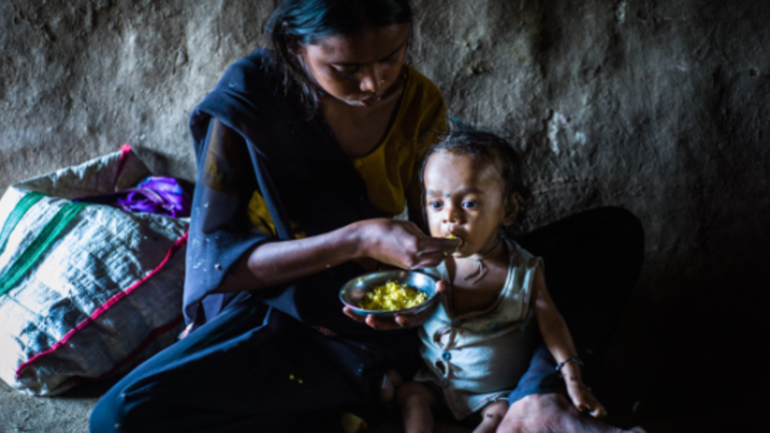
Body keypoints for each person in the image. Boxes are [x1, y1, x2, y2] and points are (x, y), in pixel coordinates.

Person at [89, 1, 645, 432]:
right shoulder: (249, 107)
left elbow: (438, 233)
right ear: (293, 48)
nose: (375, 84)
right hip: (298, 319)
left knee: (610, 235)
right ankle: (367, 387)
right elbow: (223, 266)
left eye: (391, 57)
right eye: (345, 68)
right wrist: (356, 238)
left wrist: (428, 281)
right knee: (121, 417)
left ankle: (532, 397)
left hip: (415, 312)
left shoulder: (418, 101)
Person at [396, 130, 611, 433]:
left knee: (498, 414)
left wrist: (572, 378)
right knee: (411, 395)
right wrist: (404, 317)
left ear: (508, 209)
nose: (450, 217)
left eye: (469, 204)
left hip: (494, 394)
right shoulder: (426, 264)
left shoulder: (523, 270)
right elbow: (404, 306)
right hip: (435, 382)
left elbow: (551, 324)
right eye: (436, 204)